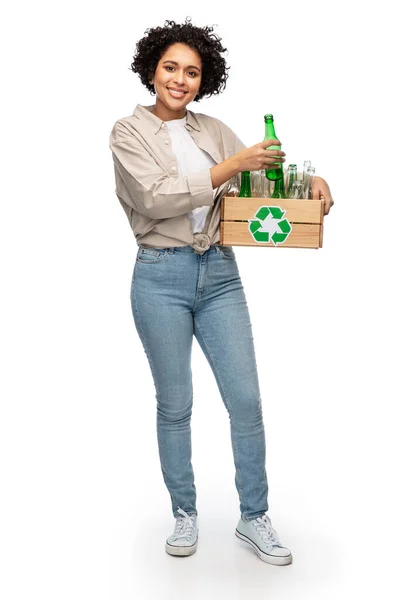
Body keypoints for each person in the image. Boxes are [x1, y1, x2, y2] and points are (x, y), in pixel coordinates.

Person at [109, 17, 334, 567]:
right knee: (176, 404)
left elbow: (260, 178)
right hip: (159, 276)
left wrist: (314, 180)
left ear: (203, 79)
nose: (180, 80)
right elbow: (155, 198)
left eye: (192, 72)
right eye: (170, 69)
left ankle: (252, 516)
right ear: (151, 70)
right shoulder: (126, 132)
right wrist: (231, 166)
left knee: (246, 401)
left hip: (220, 274)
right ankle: (184, 512)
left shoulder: (212, 129)